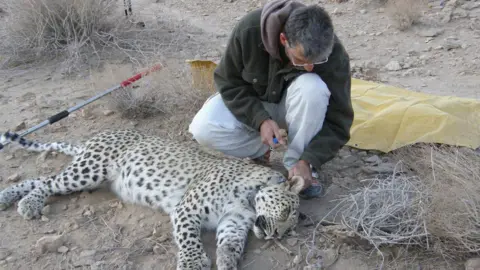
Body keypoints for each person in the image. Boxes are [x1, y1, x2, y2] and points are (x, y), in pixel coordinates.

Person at [188, 0, 354, 199]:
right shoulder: (250, 30)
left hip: (296, 109)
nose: (310, 67)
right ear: (284, 39)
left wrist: (310, 158)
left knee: (313, 88)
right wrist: (260, 120)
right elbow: (228, 82)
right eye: (300, 60)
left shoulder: (333, 53)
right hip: (255, 104)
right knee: (202, 128)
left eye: (317, 62)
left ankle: (299, 165)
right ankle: (262, 147)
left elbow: (339, 121)